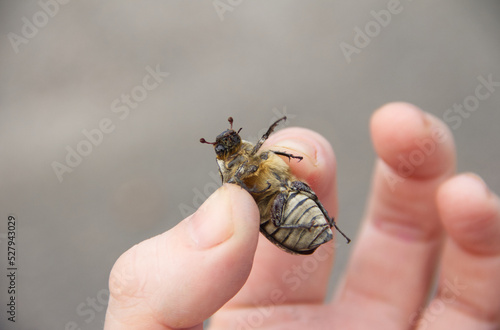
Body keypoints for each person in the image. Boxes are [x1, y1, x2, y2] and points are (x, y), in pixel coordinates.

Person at [103, 103, 500, 329]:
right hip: (279, 213)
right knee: (294, 187)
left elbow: (275, 158)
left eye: (233, 140)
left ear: (238, 139)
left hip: (293, 199)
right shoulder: (232, 178)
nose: (233, 147)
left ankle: (328, 224)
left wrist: (286, 153)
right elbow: (246, 197)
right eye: (225, 149)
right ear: (222, 157)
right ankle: (324, 224)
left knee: (301, 177)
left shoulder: (258, 153)